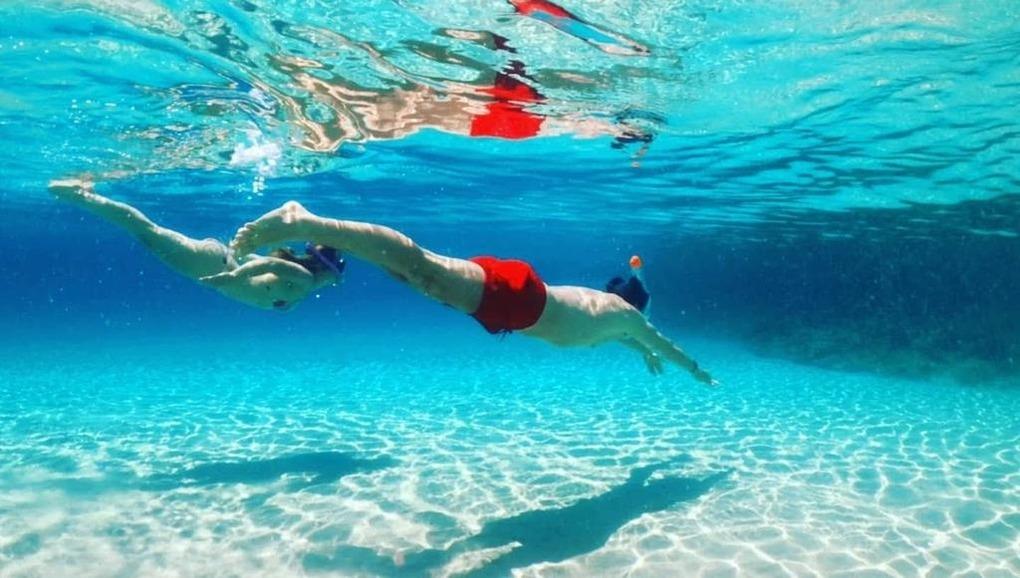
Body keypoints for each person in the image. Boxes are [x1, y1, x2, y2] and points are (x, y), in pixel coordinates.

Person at [230, 201, 718, 385]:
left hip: (517, 305)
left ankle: (322, 243)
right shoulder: (626, 317)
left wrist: (641, 352)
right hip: (520, 301)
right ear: (638, 309)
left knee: (413, 275)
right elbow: (664, 343)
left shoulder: (617, 320)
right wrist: (695, 370)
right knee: (420, 267)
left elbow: (633, 338)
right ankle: (306, 222)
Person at [49, 178, 344, 311]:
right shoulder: (303, 278)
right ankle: (82, 195)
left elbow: (263, 267)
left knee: (148, 235)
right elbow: (267, 264)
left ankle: (84, 195)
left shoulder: (302, 288)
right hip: (214, 266)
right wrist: (232, 276)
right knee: (147, 233)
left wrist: (238, 260)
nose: (337, 280)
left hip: (218, 262)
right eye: (336, 273)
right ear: (325, 269)